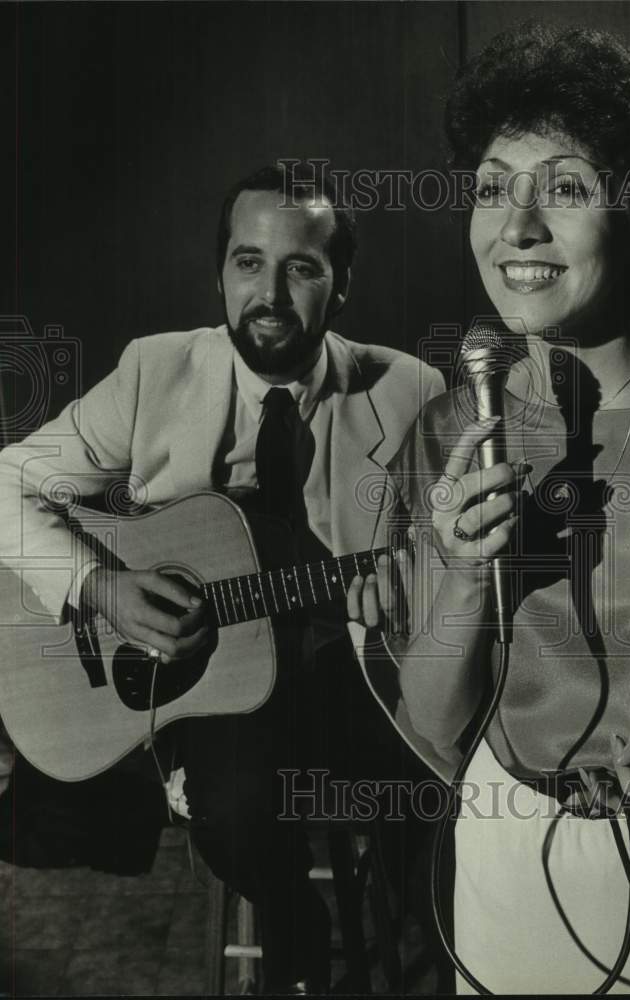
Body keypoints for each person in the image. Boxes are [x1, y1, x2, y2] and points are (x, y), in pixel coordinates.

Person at [375, 22, 630, 995]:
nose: (515, 228)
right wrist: (468, 574)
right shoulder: (443, 435)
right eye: (491, 190)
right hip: (510, 856)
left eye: (562, 188)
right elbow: (433, 728)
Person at [0, 162, 445, 993]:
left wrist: (402, 607)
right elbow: (7, 481)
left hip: (354, 678)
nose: (268, 293)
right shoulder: (154, 372)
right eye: (248, 263)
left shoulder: (413, 391)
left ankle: (431, 948)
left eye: (301, 267)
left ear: (341, 284)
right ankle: (294, 923)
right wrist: (101, 589)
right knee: (237, 811)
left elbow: (444, 564)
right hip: (216, 693)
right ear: (219, 273)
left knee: (435, 782)